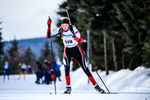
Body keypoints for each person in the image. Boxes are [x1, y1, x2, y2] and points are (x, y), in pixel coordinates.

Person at [46, 17, 105, 94]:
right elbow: (49, 36)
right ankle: (68, 88)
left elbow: (81, 39)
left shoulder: (73, 28)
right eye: (63, 25)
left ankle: (96, 86)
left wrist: (76, 38)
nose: (64, 27)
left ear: (68, 24)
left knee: (85, 68)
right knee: (66, 68)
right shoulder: (60, 30)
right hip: (67, 50)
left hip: (76, 50)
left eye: (66, 25)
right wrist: (49, 25)